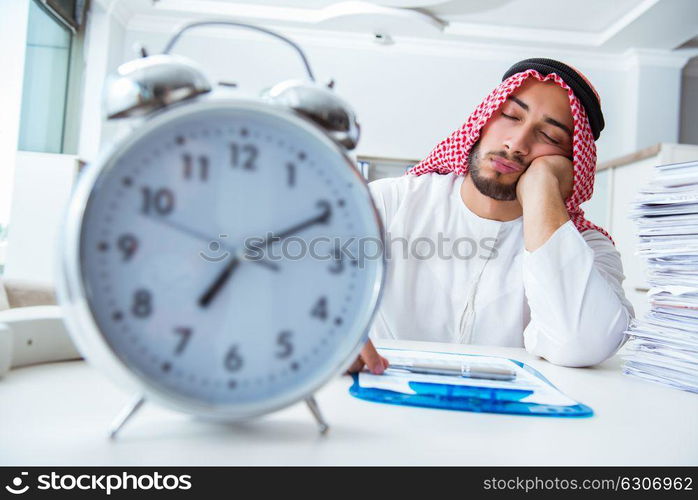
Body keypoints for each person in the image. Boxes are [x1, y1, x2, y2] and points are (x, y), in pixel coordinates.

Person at [348, 58, 635, 374]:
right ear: (483, 120)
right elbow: (298, 287)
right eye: (511, 116)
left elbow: (583, 342)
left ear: (569, 163)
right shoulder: (389, 203)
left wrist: (542, 187)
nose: (517, 144)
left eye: (550, 137)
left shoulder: (589, 248)